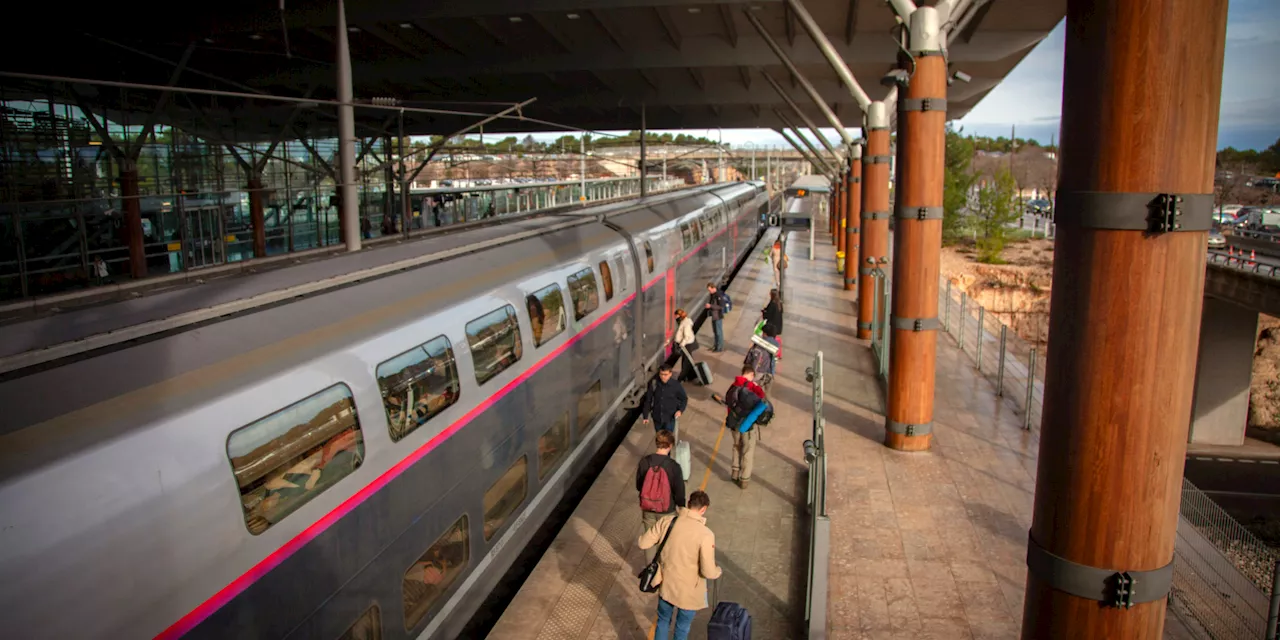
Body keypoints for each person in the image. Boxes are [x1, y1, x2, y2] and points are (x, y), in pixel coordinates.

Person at [637, 491, 721, 640]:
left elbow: (643, 543)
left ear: (689, 504)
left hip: (666, 585)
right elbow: (708, 572)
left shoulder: (667, 522)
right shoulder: (706, 534)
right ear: (704, 509)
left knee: (663, 621)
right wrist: (717, 571)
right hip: (689, 593)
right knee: (682, 628)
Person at [635, 429, 687, 565]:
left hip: (648, 508)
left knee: (649, 538)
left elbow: (639, 485)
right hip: (667, 509)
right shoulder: (674, 466)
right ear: (670, 445)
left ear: (656, 444)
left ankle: (649, 568)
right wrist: (681, 506)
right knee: (666, 540)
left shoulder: (644, 462)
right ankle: (662, 567)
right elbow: (679, 491)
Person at [725, 368, 766, 488]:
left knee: (736, 446)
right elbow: (762, 399)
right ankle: (744, 479)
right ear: (751, 374)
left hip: (734, 424)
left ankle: (735, 473)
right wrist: (755, 386)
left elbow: (729, 404)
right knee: (748, 450)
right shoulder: (752, 387)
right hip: (748, 425)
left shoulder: (733, 386)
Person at [641, 365, 687, 433]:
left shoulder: (676, 385)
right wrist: (645, 416)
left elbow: (684, 399)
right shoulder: (654, 384)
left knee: (668, 439)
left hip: (670, 418)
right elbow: (648, 400)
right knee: (659, 439)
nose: (663, 377)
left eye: (665, 374)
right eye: (661, 374)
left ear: (670, 374)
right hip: (657, 418)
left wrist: (680, 410)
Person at [672, 309, 697, 382]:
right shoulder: (683, 322)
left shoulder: (686, 324)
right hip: (686, 344)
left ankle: (682, 377)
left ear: (679, 315)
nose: (674, 317)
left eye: (676, 316)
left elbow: (687, 336)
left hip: (687, 344)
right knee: (687, 360)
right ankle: (691, 375)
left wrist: (682, 344)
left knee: (686, 361)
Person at [761, 289, 783, 360]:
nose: (769, 294)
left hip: (772, 326)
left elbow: (768, 315)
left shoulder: (772, 304)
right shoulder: (779, 303)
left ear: (772, 295)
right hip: (778, 325)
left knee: (770, 340)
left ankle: (772, 354)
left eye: (770, 294)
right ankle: (775, 354)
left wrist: (764, 312)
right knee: (773, 339)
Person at [704, 282, 725, 352]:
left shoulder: (719, 295)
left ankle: (719, 348)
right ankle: (715, 346)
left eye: (710, 290)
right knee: (715, 332)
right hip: (714, 316)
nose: (709, 291)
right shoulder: (712, 294)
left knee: (719, 332)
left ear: (713, 288)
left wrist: (711, 306)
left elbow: (721, 306)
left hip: (718, 316)